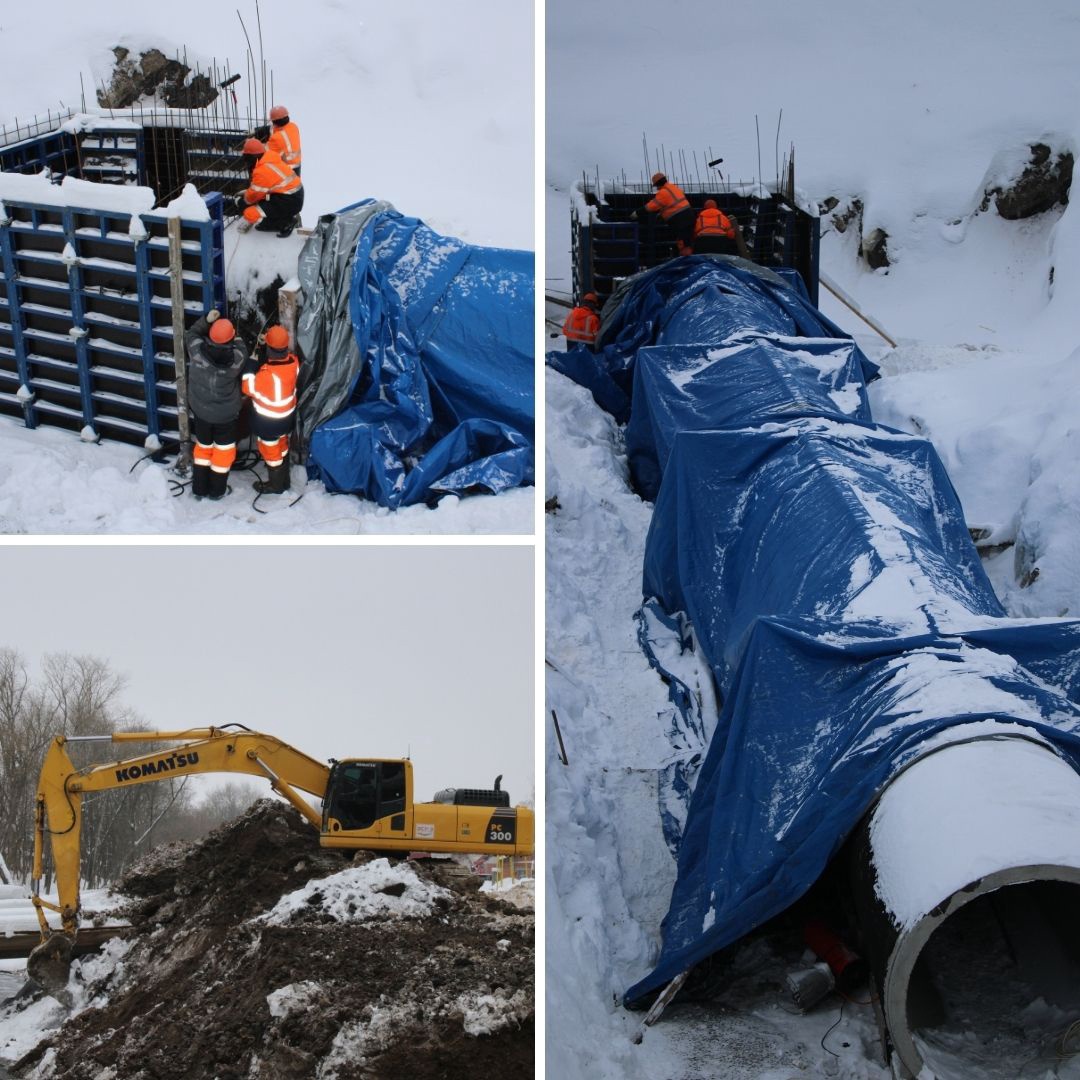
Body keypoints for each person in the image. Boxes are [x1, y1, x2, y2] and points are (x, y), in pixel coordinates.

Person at [185, 310, 247, 500]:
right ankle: (217, 491)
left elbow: (192, 334)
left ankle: (199, 488)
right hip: (226, 417)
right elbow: (243, 348)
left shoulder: (196, 351)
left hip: (201, 411)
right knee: (223, 453)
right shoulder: (236, 361)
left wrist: (207, 320)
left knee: (203, 448)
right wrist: (235, 336)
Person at [242, 324, 300, 494]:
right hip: (287, 421)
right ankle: (285, 481)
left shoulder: (266, 375)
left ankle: (275, 486)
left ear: (269, 349)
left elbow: (247, 387)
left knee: (271, 453)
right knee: (282, 446)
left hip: (268, 425)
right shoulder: (294, 364)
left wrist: (251, 364)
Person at [233, 138, 304, 238]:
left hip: (289, 201)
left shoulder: (262, 170)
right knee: (264, 200)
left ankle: (285, 223)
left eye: (246, 158)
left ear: (251, 157)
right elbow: (262, 190)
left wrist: (242, 201)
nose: (245, 161)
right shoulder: (269, 158)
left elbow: (252, 196)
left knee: (250, 214)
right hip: (291, 196)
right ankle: (284, 216)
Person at [636, 172, 695, 250]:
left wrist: (637, 213)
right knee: (688, 241)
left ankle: (686, 259)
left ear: (657, 184)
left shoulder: (663, 193)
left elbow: (650, 207)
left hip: (680, 220)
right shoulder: (674, 187)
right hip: (690, 216)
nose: (657, 188)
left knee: (683, 243)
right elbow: (673, 203)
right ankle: (690, 257)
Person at [266, 105, 302, 175]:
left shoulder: (277, 138)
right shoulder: (293, 126)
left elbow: (263, 150)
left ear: (274, 123)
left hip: (286, 169)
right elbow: (275, 129)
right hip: (297, 165)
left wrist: (251, 143)